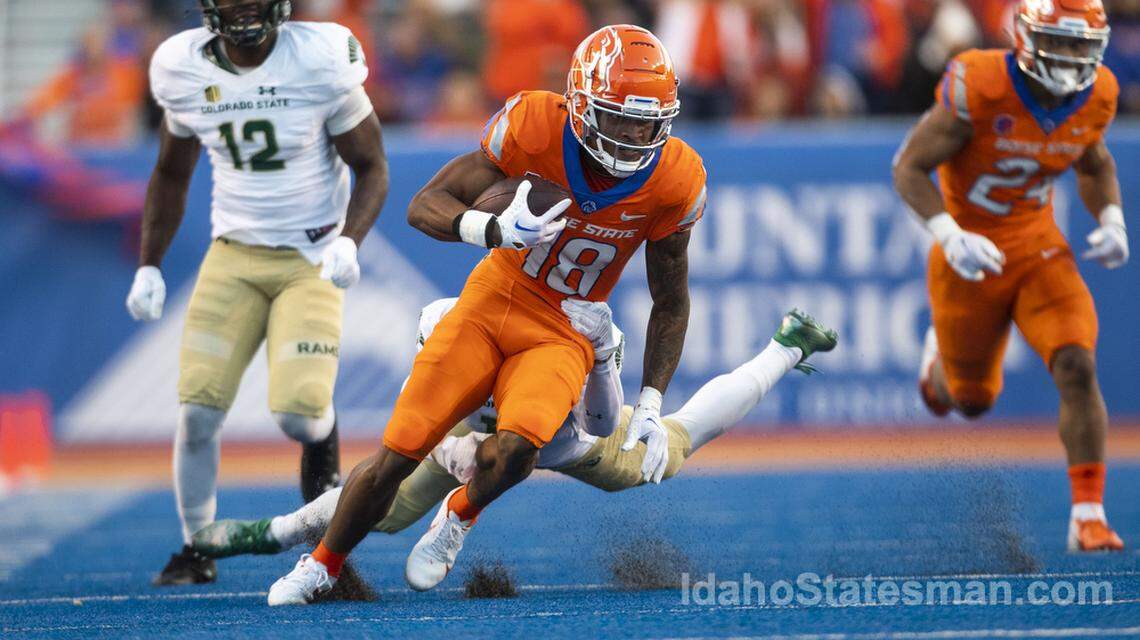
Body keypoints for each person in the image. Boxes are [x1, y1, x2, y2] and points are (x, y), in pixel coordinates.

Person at [265, 24, 707, 605]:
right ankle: (322, 564)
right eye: (616, 117)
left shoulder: (676, 178)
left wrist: (651, 399)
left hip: (566, 327)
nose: (630, 136)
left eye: (644, 122)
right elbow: (424, 205)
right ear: (579, 104)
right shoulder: (533, 127)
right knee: (398, 451)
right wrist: (491, 228)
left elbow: (670, 299)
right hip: (494, 298)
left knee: (520, 448)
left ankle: (459, 513)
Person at [191, 301, 837, 571]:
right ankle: (269, 533)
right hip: (478, 445)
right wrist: (469, 456)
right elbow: (445, 439)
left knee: (671, 447)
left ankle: (784, 348)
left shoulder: (548, 347)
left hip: (559, 435)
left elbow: (598, 424)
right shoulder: (449, 342)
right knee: (383, 507)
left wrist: (605, 361)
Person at [127, 0, 389, 585]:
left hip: (309, 257)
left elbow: (372, 165)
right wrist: (150, 264)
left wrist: (349, 241)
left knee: (299, 417)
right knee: (197, 410)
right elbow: (172, 172)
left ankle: (322, 486)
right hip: (234, 255)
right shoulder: (182, 66)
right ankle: (197, 547)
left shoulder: (320, 57)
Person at [892, 0, 1126, 551]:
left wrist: (1112, 217)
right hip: (968, 255)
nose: (1071, 58)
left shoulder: (1099, 93)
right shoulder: (980, 82)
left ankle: (1087, 514)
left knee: (1076, 361)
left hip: (1037, 248)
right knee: (970, 401)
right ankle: (937, 366)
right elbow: (909, 166)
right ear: (1024, 35)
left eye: (1080, 45)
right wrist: (950, 234)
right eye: (1060, 42)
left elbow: (1094, 163)